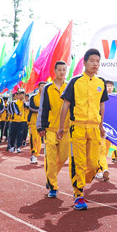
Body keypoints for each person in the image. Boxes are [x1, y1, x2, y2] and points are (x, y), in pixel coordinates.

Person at [58, 48, 109, 211]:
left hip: (94, 128)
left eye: (98, 61)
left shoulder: (101, 83)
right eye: (92, 61)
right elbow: (65, 105)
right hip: (77, 127)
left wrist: (101, 125)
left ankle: (82, 181)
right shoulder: (75, 81)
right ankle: (78, 193)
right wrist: (61, 127)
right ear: (85, 63)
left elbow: (102, 105)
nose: (95, 64)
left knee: (94, 164)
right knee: (78, 162)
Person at [38, 61, 71, 198]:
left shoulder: (69, 86)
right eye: (59, 70)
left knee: (63, 156)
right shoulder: (47, 88)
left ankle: (50, 176)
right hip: (50, 129)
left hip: (66, 129)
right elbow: (43, 108)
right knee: (50, 158)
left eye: (64, 70)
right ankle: (53, 186)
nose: (62, 72)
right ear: (55, 71)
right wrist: (41, 126)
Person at [27, 82, 45, 164]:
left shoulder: (47, 97)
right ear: (38, 87)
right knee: (34, 138)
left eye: (44, 86)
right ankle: (33, 154)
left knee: (40, 140)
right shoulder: (33, 97)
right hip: (33, 121)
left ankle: (37, 154)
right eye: (42, 86)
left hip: (43, 122)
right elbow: (31, 107)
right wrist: (42, 110)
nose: (43, 88)